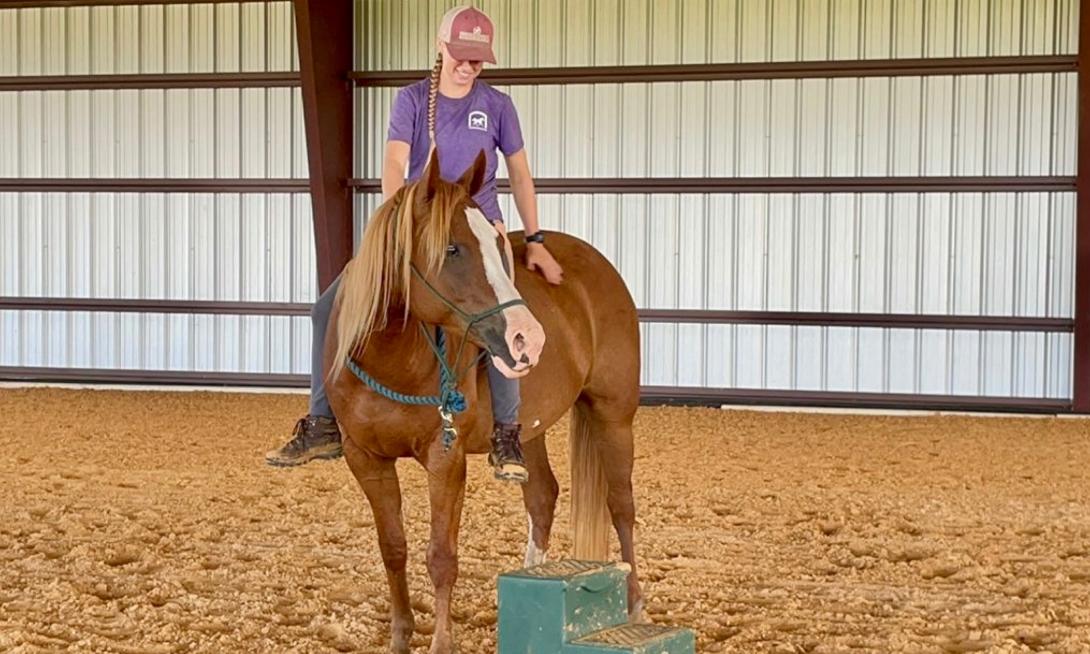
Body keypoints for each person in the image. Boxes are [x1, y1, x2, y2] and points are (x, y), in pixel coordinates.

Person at [266, 5, 564, 484]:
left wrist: (535, 239)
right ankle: (321, 421)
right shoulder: (411, 100)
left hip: (478, 227)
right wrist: (400, 222)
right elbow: (394, 163)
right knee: (327, 308)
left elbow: (521, 174)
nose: (468, 66)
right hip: (420, 225)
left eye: (477, 60)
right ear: (440, 47)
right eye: (460, 56)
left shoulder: (498, 105)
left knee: (504, 315)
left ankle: (507, 431)